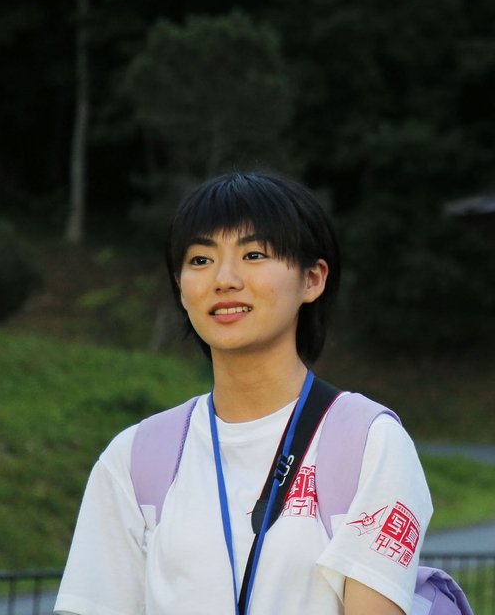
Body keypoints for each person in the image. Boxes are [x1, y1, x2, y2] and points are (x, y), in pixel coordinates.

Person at [55, 172, 432, 615]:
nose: (224, 279)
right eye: (200, 260)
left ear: (312, 279)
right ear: (180, 287)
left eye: (253, 254)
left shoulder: (367, 443)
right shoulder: (135, 458)